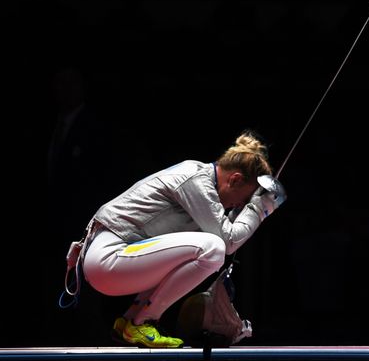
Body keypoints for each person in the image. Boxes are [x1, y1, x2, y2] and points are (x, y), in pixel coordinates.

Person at [73, 130, 285, 348]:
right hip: (108, 257)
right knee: (213, 248)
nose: (238, 207)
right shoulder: (196, 180)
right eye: (242, 201)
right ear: (235, 179)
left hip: (115, 257)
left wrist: (250, 207)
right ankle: (143, 320)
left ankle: (129, 323)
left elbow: (225, 229)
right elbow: (229, 241)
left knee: (202, 247)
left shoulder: (202, 182)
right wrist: (259, 209)